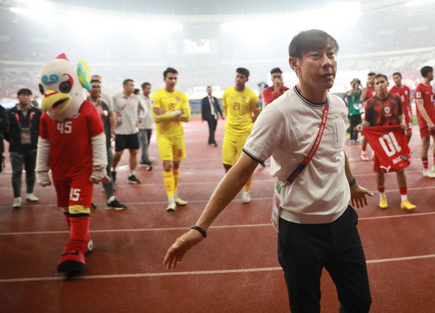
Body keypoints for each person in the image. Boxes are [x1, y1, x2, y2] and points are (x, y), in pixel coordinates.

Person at [163, 29, 373, 312]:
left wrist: (352, 182)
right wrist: (200, 227)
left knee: (360, 301)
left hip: (342, 222)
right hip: (300, 232)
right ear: (294, 64)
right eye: (316, 55)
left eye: (331, 54)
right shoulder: (277, 113)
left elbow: (335, 151)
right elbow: (240, 171)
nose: (327, 62)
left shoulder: (337, 103)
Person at [35, 53, 109, 277]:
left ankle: (74, 248)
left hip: (82, 170)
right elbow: (44, 144)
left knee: (78, 207)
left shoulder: (88, 110)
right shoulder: (46, 117)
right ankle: (83, 240)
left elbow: (98, 139)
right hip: (60, 171)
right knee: (67, 208)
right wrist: (41, 170)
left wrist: (99, 167)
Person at [359, 73, 415, 210]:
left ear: (387, 83)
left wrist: (403, 123)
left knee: (400, 168)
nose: (380, 85)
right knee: (379, 171)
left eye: (382, 82)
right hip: (380, 142)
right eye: (377, 83)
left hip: (395, 140)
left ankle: (404, 199)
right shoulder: (370, 103)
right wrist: (362, 126)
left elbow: (401, 114)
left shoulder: (395, 98)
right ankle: (382, 196)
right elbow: (366, 121)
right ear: (374, 86)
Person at [151, 67, 191, 212]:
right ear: (164, 79)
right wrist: (177, 113)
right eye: (170, 78)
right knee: (167, 166)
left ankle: (175, 195)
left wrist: (167, 113)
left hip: (178, 136)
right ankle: (170, 201)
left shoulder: (182, 95)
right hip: (164, 137)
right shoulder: (157, 95)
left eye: (175, 78)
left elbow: (187, 117)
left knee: (176, 166)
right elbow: (157, 118)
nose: (173, 81)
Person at [221, 67, 260, 203]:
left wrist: (250, 123)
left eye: (242, 77)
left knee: (245, 165)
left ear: (246, 79)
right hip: (230, 132)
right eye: (237, 76)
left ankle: (246, 191)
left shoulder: (251, 95)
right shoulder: (227, 93)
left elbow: (257, 112)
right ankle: (230, 188)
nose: (238, 79)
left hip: (245, 132)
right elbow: (225, 108)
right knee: (227, 163)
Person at [87, 79, 127, 211]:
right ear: (88, 89)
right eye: (93, 87)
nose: (96, 89)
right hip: (89, 146)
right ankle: (87, 200)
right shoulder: (84, 105)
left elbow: (109, 120)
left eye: (98, 86)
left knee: (107, 170)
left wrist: (112, 132)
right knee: (88, 172)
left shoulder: (103, 104)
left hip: (105, 144)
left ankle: (111, 199)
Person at [6, 88, 42, 208]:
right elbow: (5, 130)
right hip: (16, 148)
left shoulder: (37, 112)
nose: (25, 97)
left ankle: (30, 193)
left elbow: (42, 129)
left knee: (31, 172)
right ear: (18, 97)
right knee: (16, 172)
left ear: (31, 97)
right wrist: (12, 139)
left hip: (32, 147)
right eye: (23, 95)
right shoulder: (10, 112)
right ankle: (17, 197)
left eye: (28, 95)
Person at [112, 79, 146, 184]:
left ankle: (132, 174)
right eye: (131, 85)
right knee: (118, 153)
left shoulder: (136, 97)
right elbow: (112, 111)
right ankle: (112, 171)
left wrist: (140, 120)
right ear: (124, 86)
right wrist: (114, 122)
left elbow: (144, 109)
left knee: (134, 152)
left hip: (133, 131)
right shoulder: (116, 97)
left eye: (133, 85)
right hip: (120, 131)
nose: (133, 87)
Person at [415, 65, 435, 178]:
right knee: (426, 144)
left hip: (433, 120)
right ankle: (425, 169)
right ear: (429, 74)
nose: (433, 74)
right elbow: (420, 106)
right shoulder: (419, 88)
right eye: (432, 73)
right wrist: (428, 121)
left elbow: (431, 103)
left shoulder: (430, 87)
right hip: (425, 122)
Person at [389, 72, 413, 143]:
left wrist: (410, 114)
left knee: (409, 133)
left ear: (401, 78)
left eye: (397, 78)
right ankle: (402, 149)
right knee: (399, 134)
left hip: (407, 114)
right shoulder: (392, 91)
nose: (395, 80)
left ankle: (405, 147)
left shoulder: (406, 88)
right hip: (398, 116)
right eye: (394, 79)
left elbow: (408, 102)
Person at [359, 72, 376, 160]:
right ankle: (363, 152)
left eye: (371, 78)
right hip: (368, 115)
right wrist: (366, 87)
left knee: (377, 134)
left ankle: (375, 152)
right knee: (366, 134)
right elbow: (362, 99)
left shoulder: (378, 87)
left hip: (378, 114)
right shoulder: (366, 89)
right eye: (368, 78)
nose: (369, 80)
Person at [139, 82, 153, 170]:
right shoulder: (139, 98)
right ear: (143, 89)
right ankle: (147, 160)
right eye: (147, 88)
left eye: (150, 88)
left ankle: (144, 158)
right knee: (144, 143)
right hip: (142, 125)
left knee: (147, 143)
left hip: (149, 124)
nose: (149, 90)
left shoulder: (150, 99)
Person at [345, 78, 363, 145]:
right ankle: (352, 139)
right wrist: (353, 88)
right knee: (352, 126)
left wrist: (360, 85)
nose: (355, 84)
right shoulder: (349, 92)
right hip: (352, 112)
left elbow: (362, 96)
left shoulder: (360, 91)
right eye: (353, 83)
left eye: (356, 83)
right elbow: (348, 96)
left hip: (358, 112)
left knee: (357, 126)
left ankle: (356, 139)